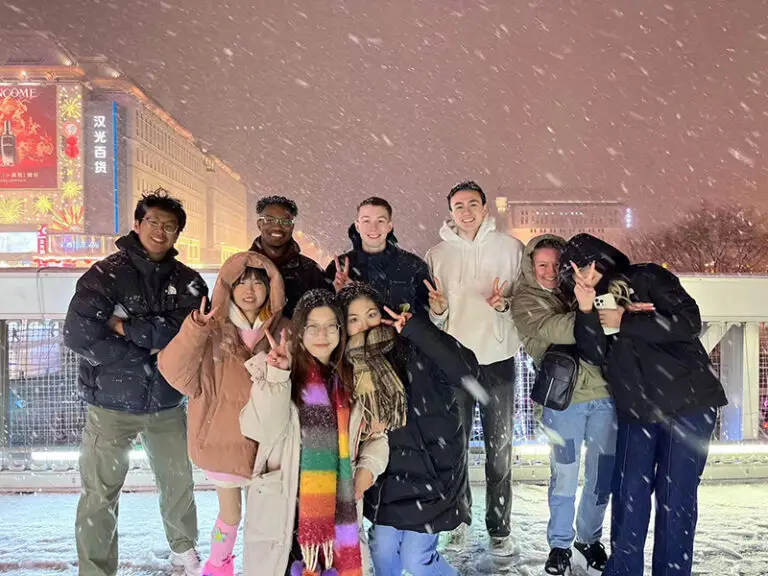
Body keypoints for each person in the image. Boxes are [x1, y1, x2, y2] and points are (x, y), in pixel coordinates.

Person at [561, 233, 728, 576]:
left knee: (676, 497)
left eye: (588, 264)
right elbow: (593, 353)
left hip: (688, 403)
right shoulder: (587, 300)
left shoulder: (647, 276)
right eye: (575, 271)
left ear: (602, 259)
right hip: (636, 411)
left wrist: (627, 320)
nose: (585, 274)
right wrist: (586, 308)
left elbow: (689, 322)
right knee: (629, 497)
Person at [63, 189, 207, 576]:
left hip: (167, 403)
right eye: (153, 222)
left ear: (178, 233)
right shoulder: (104, 275)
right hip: (110, 405)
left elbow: (186, 335)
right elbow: (79, 335)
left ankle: (183, 549)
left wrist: (123, 326)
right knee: (99, 494)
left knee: (178, 483)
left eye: (170, 226)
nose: (161, 231)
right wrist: (146, 352)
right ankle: (94, 569)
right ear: (138, 224)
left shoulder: (190, 282)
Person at [239, 289, 389, 576]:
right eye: (312, 327)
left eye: (330, 326)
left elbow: (376, 436)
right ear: (299, 331)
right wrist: (278, 376)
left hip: (339, 508)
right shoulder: (276, 369)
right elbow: (262, 429)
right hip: (284, 509)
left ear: (340, 331)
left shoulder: (355, 377)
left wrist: (368, 469)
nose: (322, 334)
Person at [158, 252, 290, 576]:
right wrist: (196, 329)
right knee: (230, 515)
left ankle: (264, 569)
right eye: (241, 282)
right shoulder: (211, 329)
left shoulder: (284, 330)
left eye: (259, 282)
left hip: (267, 445)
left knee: (267, 520)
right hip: (222, 440)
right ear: (228, 288)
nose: (249, 290)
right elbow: (174, 371)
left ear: (271, 289)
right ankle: (218, 566)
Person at [336, 282, 480, 576]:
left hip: (432, 473)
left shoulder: (414, 349)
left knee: (417, 560)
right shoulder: (346, 370)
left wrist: (419, 330)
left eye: (371, 314)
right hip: (386, 480)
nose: (364, 324)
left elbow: (466, 371)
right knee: (383, 554)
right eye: (353, 319)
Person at [425, 180, 524, 555]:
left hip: (498, 361)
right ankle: (458, 521)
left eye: (472, 204)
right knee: (455, 448)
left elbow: (524, 304)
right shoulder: (437, 254)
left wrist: (503, 305)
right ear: (450, 212)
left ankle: (499, 528)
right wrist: (437, 309)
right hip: (454, 364)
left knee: (500, 451)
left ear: (486, 209)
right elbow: (436, 317)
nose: (465, 212)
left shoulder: (512, 249)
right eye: (457, 206)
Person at [512, 235, 618, 576]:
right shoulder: (525, 299)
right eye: (542, 264)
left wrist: (596, 307)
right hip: (563, 401)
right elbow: (556, 329)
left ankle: (589, 538)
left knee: (601, 476)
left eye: (558, 264)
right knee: (565, 475)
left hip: (605, 395)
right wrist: (595, 312)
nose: (550, 271)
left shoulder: (583, 287)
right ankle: (559, 544)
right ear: (531, 265)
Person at [325, 197, 431, 314]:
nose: (373, 228)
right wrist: (344, 296)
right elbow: (327, 318)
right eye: (366, 221)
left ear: (389, 227)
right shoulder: (338, 269)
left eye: (380, 221)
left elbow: (426, 318)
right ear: (357, 226)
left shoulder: (414, 266)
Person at [249, 195, 332, 318]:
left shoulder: (311, 271)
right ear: (259, 224)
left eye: (285, 221)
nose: (277, 227)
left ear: (292, 226)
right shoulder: (240, 267)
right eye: (270, 220)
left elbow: (328, 316)